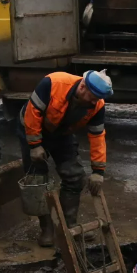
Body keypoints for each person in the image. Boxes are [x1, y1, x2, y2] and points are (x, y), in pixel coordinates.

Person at [20, 70, 112, 246]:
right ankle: (47, 230)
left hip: (62, 134)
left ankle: (68, 228)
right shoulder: (53, 83)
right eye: (93, 98)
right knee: (38, 180)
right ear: (83, 86)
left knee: (75, 177)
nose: (95, 102)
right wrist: (35, 144)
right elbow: (32, 113)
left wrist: (98, 171)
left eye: (98, 99)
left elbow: (98, 136)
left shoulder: (97, 104)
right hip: (32, 129)